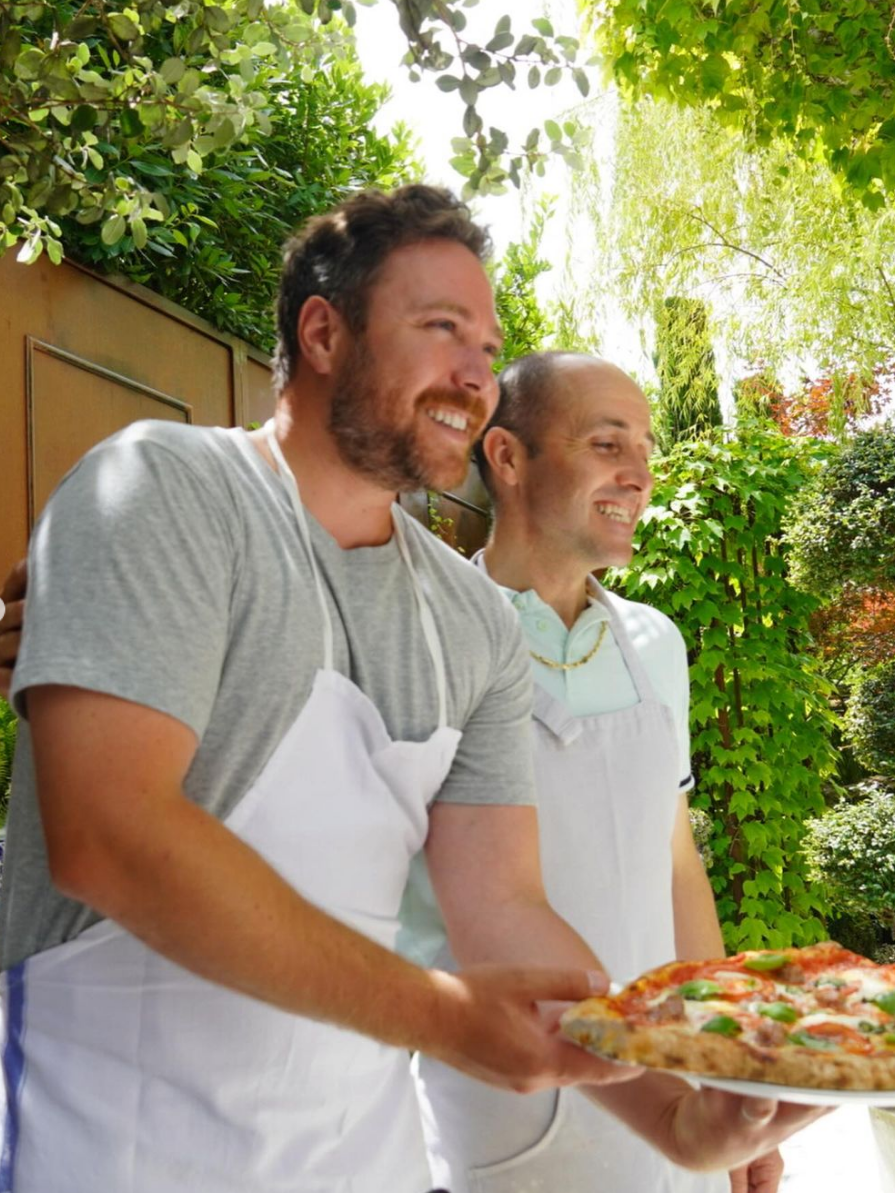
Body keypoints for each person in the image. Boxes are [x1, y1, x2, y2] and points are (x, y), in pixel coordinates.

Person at [0, 186, 825, 1193]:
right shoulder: (166, 490)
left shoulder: (470, 625)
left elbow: (503, 903)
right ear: (322, 333)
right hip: (109, 1146)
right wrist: (441, 1014)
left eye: (487, 346)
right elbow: (110, 834)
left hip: (358, 1158)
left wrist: (672, 1109)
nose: (474, 374)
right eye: (441, 329)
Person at [404, 352, 782, 1193]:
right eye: (607, 443)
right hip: (507, 1110)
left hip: (669, 1089)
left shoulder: (657, 646)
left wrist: (727, 1075)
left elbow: (675, 862)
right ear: (505, 457)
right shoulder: (423, 639)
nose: (640, 473)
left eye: (644, 447)